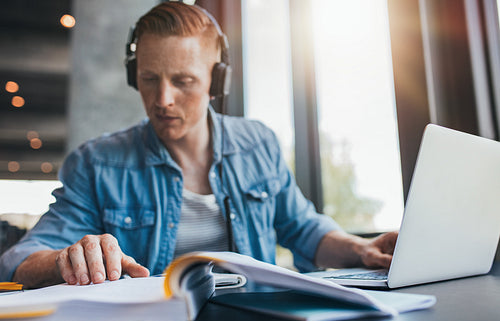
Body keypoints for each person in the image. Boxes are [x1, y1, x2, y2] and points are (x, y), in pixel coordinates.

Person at [0, 2, 397, 288]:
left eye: (183, 81)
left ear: (216, 82)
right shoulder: (97, 162)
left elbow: (303, 228)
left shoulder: (258, 143)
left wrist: (359, 249)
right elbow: (18, 261)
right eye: (149, 78)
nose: (162, 99)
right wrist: (62, 260)